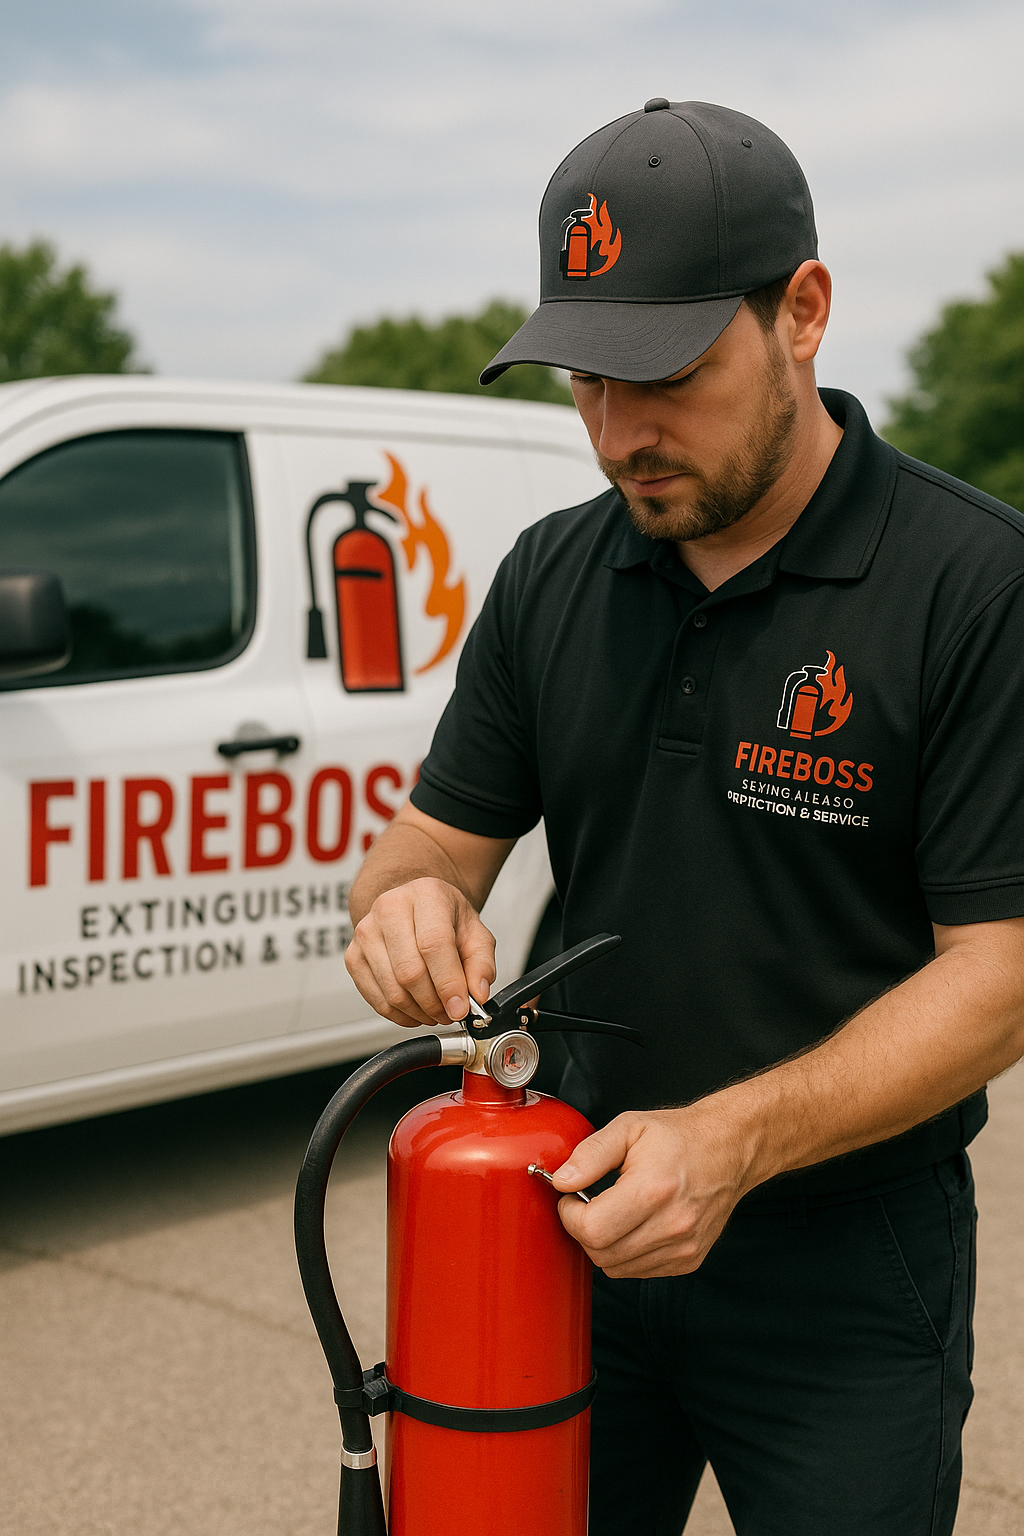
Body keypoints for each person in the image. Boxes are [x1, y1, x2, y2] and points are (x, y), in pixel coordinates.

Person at [345, 99, 1024, 1535]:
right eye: (585, 379)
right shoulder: (552, 575)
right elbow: (426, 847)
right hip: (568, 1228)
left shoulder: (975, 586)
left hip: (844, 1263)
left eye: (667, 374)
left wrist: (729, 1141)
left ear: (805, 312)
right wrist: (399, 906)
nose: (619, 433)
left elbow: (1001, 971)